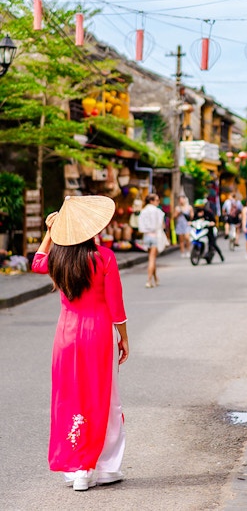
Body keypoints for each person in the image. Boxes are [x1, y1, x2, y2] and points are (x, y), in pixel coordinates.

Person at [31, 195, 128, 492]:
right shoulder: (104, 257)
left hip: (67, 335)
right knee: (101, 397)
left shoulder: (58, 259)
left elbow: (36, 262)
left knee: (70, 396)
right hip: (98, 334)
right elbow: (116, 305)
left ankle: (79, 468)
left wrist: (51, 231)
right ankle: (98, 465)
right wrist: (124, 337)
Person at [138, 193, 165, 287]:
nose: (158, 202)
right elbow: (161, 225)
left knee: (152, 257)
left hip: (146, 236)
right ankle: (149, 280)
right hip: (155, 236)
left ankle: (156, 278)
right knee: (152, 259)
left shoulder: (143, 211)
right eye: (157, 200)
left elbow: (140, 227)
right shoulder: (158, 211)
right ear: (151, 201)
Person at [174, 194, 193, 258]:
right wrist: (178, 213)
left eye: (182, 199)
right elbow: (174, 217)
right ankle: (182, 252)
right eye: (180, 200)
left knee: (187, 238)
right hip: (180, 224)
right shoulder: (177, 208)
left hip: (186, 224)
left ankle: (188, 251)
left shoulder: (189, 207)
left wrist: (191, 221)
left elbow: (192, 216)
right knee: (181, 240)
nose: (181, 201)